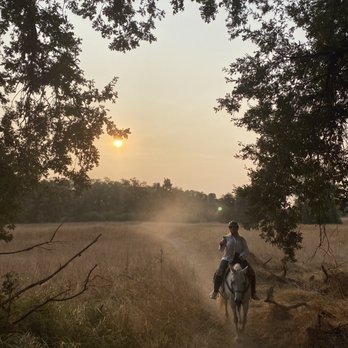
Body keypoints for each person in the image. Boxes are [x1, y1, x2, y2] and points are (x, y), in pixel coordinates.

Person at [209, 220, 259, 300]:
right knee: (219, 272)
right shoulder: (226, 238)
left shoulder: (242, 239)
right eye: (230, 227)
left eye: (234, 227)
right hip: (227, 258)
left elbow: (246, 250)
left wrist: (242, 255)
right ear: (229, 228)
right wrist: (221, 244)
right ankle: (215, 291)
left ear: (237, 228)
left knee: (251, 272)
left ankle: (253, 293)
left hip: (239, 259)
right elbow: (221, 250)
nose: (232, 229)